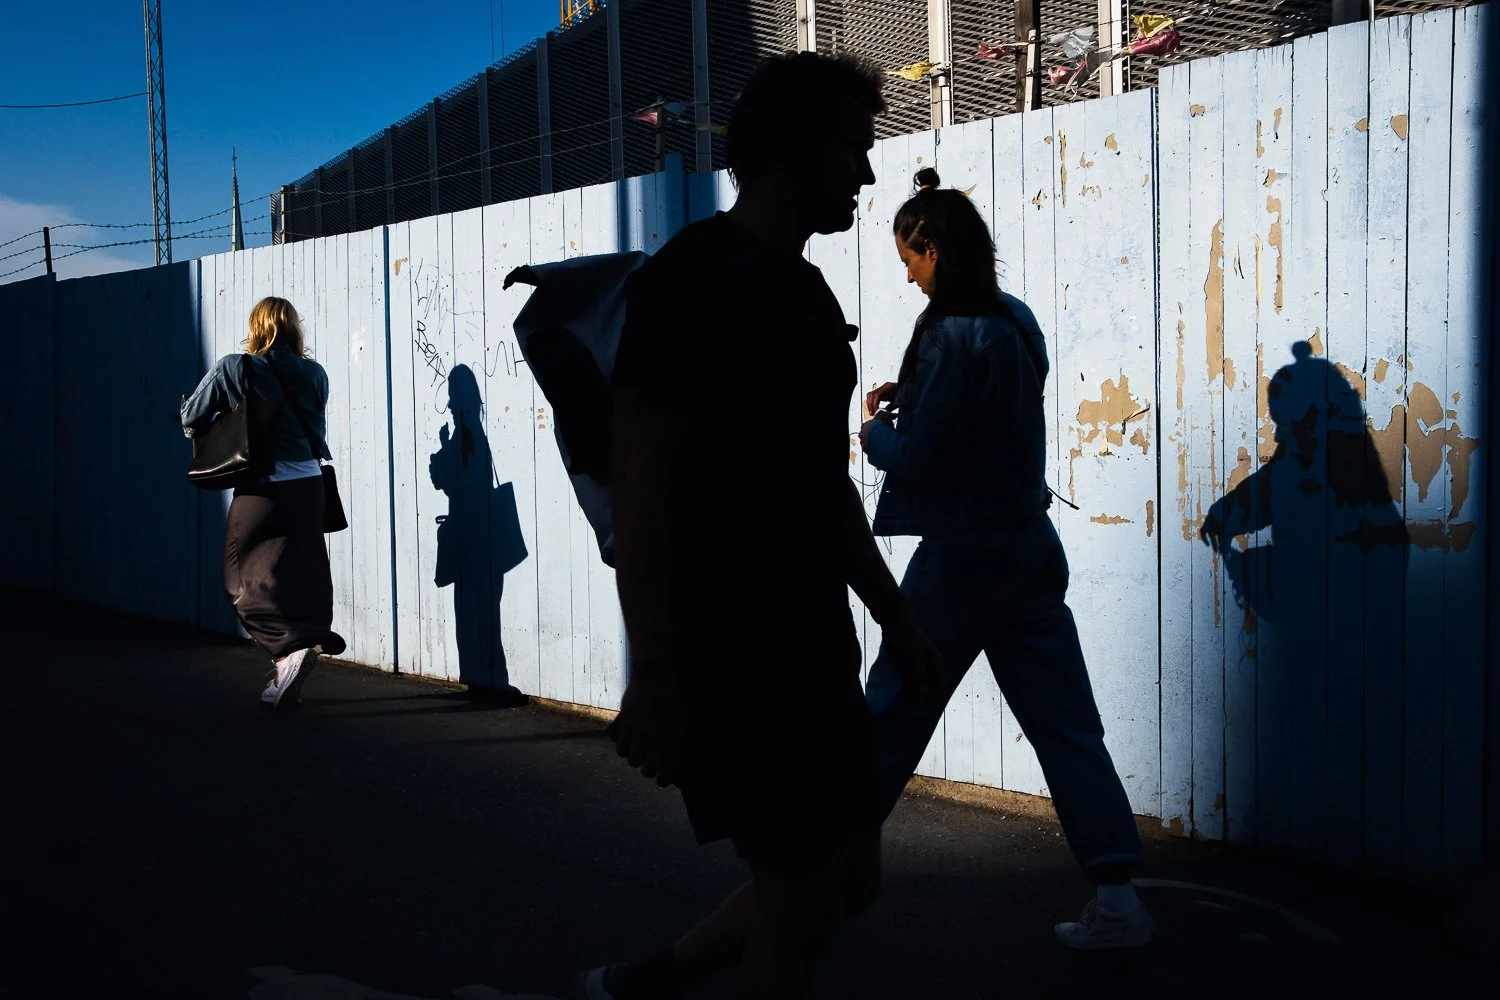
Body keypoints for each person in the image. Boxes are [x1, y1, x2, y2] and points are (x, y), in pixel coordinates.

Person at [574, 53, 942, 1000]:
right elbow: (641, 482)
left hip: (810, 637)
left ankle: (650, 979)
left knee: (843, 883)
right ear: (791, 152)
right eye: (853, 151)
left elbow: (822, 490)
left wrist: (894, 618)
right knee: (803, 892)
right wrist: (654, 675)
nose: (866, 175)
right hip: (731, 648)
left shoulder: (807, 296)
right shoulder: (689, 281)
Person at [857, 168, 1156, 950]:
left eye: (911, 259)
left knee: (894, 704)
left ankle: (822, 869)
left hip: (962, 556)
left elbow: (921, 459)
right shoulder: (1014, 321)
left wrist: (872, 431)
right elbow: (986, 419)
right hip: (1030, 545)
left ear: (934, 249)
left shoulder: (950, 331)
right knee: (1066, 725)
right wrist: (916, 399)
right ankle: (1118, 900)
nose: (908, 274)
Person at [181, 296, 346, 710]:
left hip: (264, 488)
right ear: (294, 329)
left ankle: (286, 651)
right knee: (301, 575)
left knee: (240, 581)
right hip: (311, 485)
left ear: (256, 328)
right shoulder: (315, 373)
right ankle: (291, 663)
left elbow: (190, 419)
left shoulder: (237, 367)